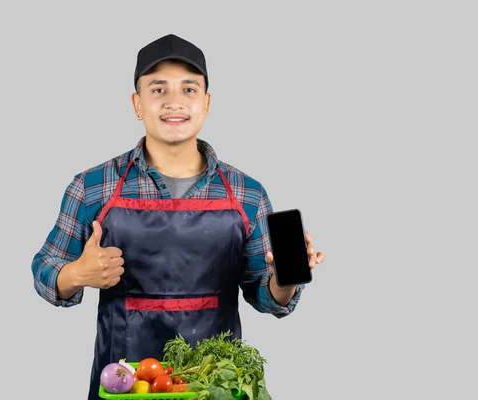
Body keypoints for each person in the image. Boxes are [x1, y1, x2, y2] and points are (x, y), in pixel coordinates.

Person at [31, 33, 325, 399]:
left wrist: (284, 279)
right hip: (124, 385)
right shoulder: (94, 186)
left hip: (215, 383)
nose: (174, 102)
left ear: (206, 102)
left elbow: (267, 297)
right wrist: (76, 274)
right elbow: (45, 270)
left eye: (189, 89)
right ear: (137, 104)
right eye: (158, 90)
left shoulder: (247, 193)